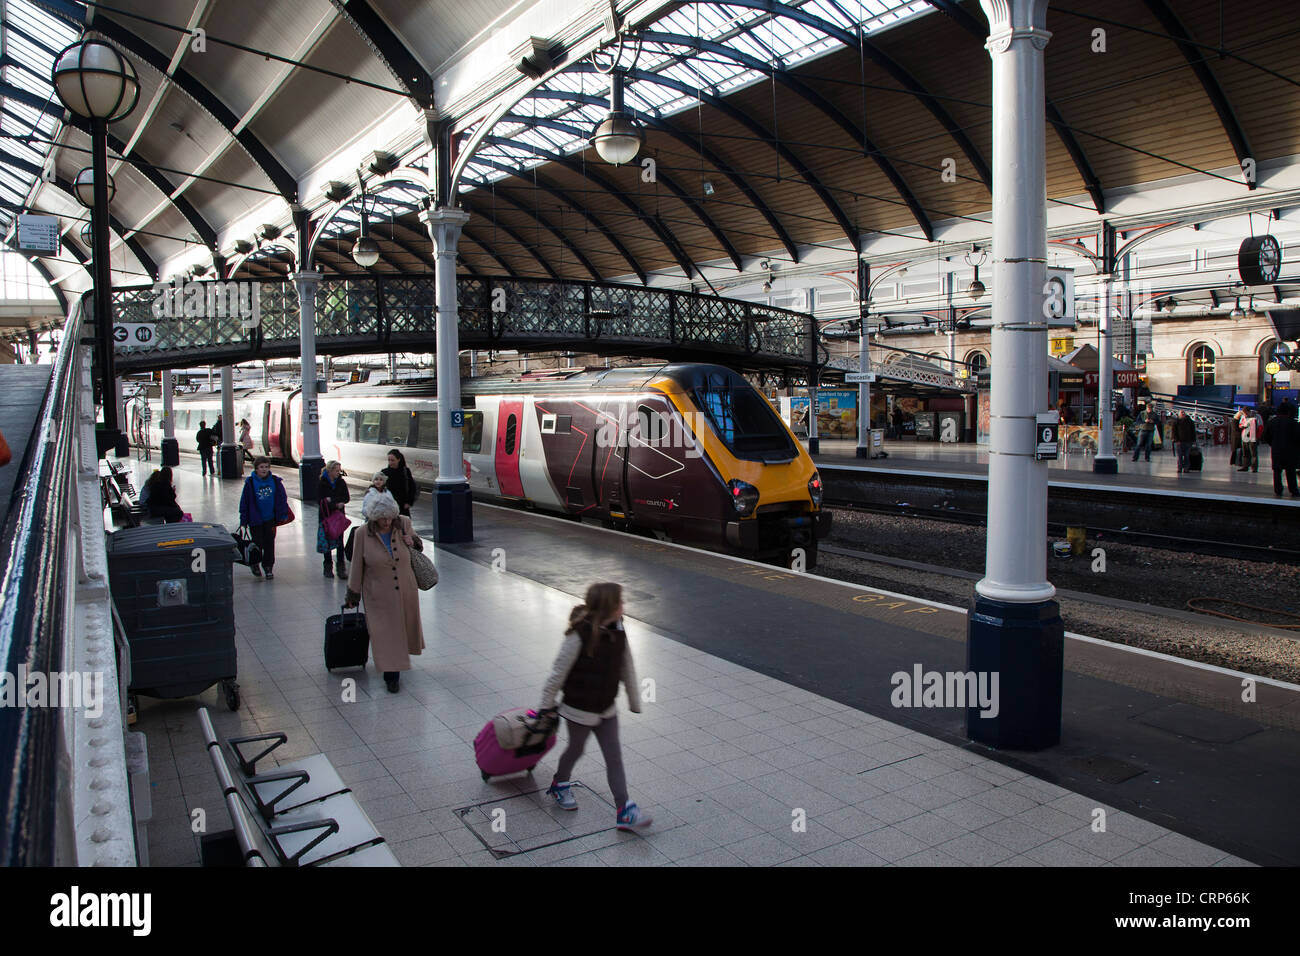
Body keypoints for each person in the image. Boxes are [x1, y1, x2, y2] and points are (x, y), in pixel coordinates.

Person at [538, 582, 652, 832]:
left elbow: (627, 665)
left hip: (606, 707)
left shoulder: (619, 629)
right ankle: (560, 783)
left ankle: (624, 810)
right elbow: (558, 672)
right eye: (620, 602)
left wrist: (634, 700)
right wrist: (546, 706)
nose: (624, 605)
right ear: (608, 606)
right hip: (578, 709)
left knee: (614, 757)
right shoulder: (579, 634)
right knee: (576, 749)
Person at [344, 496, 424, 692]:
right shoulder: (362, 533)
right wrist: (353, 594)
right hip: (378, 594)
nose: (386, 522)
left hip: (405, 590)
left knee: (401, 631)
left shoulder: (403, 523)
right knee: (386, 634)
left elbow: (418, 546)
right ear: (373, 518)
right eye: (382, 519)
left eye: (389, 518)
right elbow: (357, 565)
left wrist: (411, 540)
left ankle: (397, 662)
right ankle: (392, 676)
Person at [238, 457, 290, 579]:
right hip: (255, 519)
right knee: (257, 543)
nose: (264, 469)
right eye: (261, 467)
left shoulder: (275, 481)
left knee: (269, 543)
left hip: (270, 518)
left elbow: (282, 498)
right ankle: (255, 563)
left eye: (266, 467)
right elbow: (244, 502)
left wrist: (282, 514)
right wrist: (243, 520)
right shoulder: (250, 483)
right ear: (256, 468)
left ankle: (268, 567)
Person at [317, 460, 350, 578]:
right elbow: (320, 500)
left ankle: (341, 568)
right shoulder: (322, 483)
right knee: (327, 542)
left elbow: (346, 497)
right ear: (330, 470)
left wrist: (332, 500)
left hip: (338, 517)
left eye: (339, 470)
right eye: (336, 470)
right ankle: (327, 567)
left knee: (340, 542)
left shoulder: (341, 482)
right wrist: (335, 503)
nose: (338, 472)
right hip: (326, 516)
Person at [1262, 400, 1299, 497]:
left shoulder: (1272, 422)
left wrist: (1273, 444)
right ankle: (1293, 490)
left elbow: (1266, 436)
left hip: (1276, 450)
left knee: (1277, 471)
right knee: (1290, 472)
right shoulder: (1293, 423)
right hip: (1290, 451)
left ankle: (1278, 490)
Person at [382, 449, 416, 517]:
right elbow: (378, 485)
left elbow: (412, 487)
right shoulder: (384, 472)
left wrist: (409, 502)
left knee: (403, 525)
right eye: (389, 460)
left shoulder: (405, 471)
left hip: (403, 506)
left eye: (392, 460)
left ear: (399, 459)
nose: (390, 462)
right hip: (389, 505)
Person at [1236, 408, 1261, 473]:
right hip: (1244, 436)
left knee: (1253, 453)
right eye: (1244, 413)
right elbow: (1240, 424)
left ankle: (1254, 468)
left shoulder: (1256, 416)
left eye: (1246, 413)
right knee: (1245, 452)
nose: (1245, 414)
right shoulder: (1243, 416)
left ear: (1249, 411)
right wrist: (1243, 426)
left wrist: (1257, 436)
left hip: (1252, 437)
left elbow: (1260, 426)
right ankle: (1245, 466)